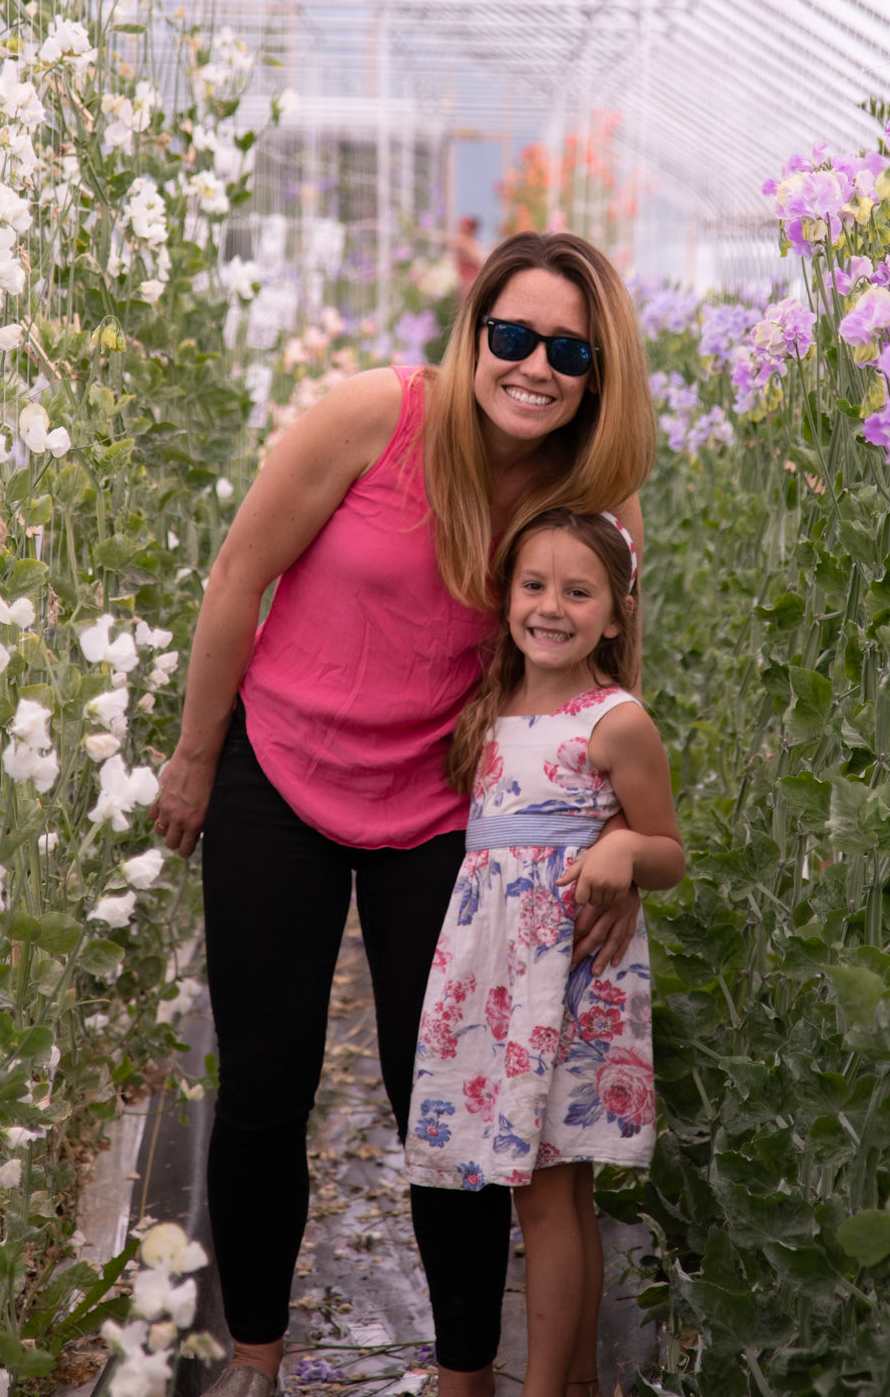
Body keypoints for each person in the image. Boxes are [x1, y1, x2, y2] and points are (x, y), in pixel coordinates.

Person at [146, 231, 658, 1397]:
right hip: (279, 772)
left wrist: (614, 840)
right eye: (512, 334)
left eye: (568, 350)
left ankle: (462, 1370)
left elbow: (610, 681)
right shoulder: (372, 415)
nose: (534, 365)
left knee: (443, 1088)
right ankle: (256, 1355)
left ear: (599, 372)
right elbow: (238, 577)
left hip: (447, 804)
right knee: (265, 1077)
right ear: (474, 331)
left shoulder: (592, 495)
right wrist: (194, 757)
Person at [405, 509, 683, 1397]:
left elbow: (669, 853)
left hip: (566, 978)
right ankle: (576, 1382)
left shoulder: (615, 721)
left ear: (618, 613)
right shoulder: (489, 707)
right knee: (553, 1193)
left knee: (548, 1195)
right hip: (494, 974)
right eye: (533, 585)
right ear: (506, 597)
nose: (551, 608)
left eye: (578, 592)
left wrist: (622, 847)